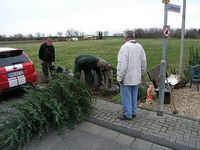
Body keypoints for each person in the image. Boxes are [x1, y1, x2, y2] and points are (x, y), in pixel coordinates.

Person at [117, 30, 147, 120]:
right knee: (134, 95)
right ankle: (133, 112)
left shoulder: (125, 47)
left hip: (127, 77)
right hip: (136, 77)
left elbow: (122, 64)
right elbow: (144, 62)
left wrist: (119, 77)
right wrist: (141, 73)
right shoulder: (140, 47)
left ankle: (127, 114)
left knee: (126, 96)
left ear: (125, 37)